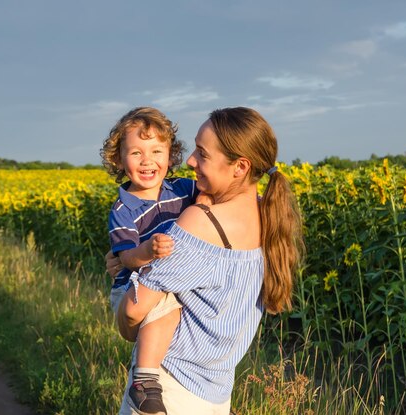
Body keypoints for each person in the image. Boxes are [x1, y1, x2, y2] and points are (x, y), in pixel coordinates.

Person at [114, 107, 304, 415]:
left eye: (202, 154)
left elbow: (135, 312)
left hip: (165, 392)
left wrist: (126, 275)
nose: (190, 161)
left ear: (240, 167)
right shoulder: (269, 216)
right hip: (216, 397)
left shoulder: (201, 222)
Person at [101, 107, 207, 415]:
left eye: (156, 151)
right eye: (136, 152)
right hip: (133, 287)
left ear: (171, 156)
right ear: (119, 160)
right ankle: (144, 381)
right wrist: (147, 251)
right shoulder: (124, 208)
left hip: (162, 284)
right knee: (165, 310)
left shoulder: (183, 189)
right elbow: (126, 257)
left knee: (170, 310)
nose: (147, 160)